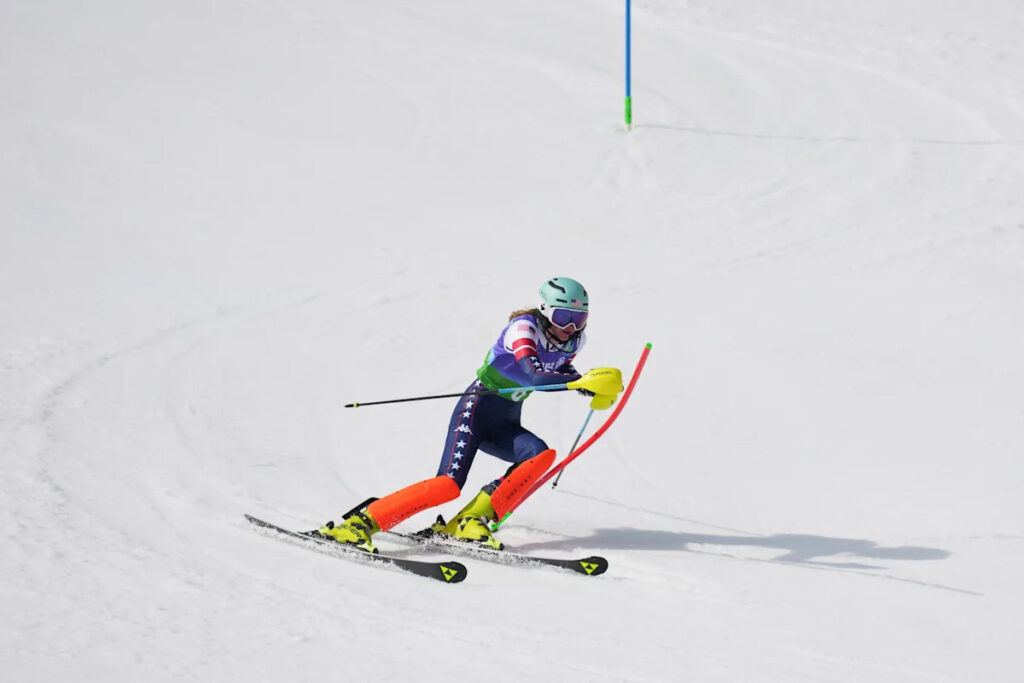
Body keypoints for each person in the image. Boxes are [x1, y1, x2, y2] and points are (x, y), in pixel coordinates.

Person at [316, 277, 617, 553]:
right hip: (474, 413)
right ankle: (358, 524)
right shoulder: (523, 329)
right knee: (447, 485)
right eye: (564, 317)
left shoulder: (575, 341)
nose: (572, 327)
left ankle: (470, 520)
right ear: (544, 310)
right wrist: (579, 382)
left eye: (580, 319)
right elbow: (534, 377)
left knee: (540, 456)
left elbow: (563, 369)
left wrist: (591, 386)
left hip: (505, 423)